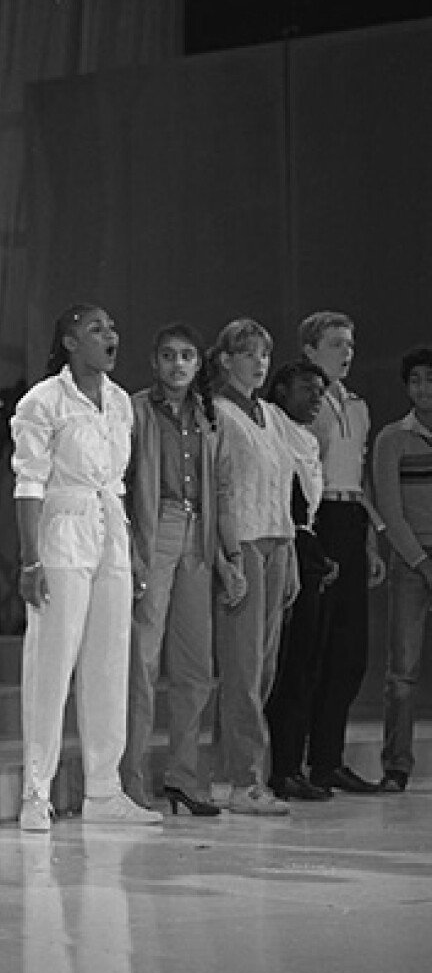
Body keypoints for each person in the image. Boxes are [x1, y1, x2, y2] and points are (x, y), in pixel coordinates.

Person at [12, 304, 162, 832]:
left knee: (108, 660)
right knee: (52, 663)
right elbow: (28, 483)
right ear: (71, 341)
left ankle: (104, 789)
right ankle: (36, 790)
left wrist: (132, 550)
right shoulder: (44, 400)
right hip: (62, 529)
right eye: (95, 328)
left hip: (110, 532)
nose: (109, 334)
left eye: (112, 327)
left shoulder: (120, 402)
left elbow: (120, 483)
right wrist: (30, 558)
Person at [122, 324, 243, 818]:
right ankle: (128, 780)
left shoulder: (210, 416)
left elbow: (224, 489)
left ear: (198, 364)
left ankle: (184, 777)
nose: (177, 364)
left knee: (195, 666)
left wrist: (231, 557)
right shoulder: (135, 410)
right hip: (156, 530)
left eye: (187, 356)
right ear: (155, 362)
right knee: (143, 662)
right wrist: (131, 548)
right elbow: (123, 482)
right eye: (168, 355)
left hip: (200, 536)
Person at [209, 317, 298, 816]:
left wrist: (290, 553)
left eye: (264, 354)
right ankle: (244, 780)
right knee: (242, 668)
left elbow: (283, 482)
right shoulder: (218, 413)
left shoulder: (269, 412)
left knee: (265, 667)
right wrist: (226, 557)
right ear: (225, 359)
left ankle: (240, 769)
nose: (260, 363)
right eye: (248, 354)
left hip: (277, 541)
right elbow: (218, 489)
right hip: (242, 541)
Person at [300, 312, 386, 795]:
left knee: (351, 650)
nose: (346, 352)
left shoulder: (358, 406)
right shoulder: (303, 403)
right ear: (310, 350)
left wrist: (371, 538)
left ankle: (329, 758)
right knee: (318, 644)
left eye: (350, 344)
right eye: (335, 344)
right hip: (319, 520)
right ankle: (304, 757)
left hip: (351, 518)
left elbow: (361, 477)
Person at [264, 360, 337, 802]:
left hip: (306, 543)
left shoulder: (309, 439)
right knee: (287, 665)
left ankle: (294, 763)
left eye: (321, 393)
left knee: (309, 664)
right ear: (282, 389)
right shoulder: (271, 428)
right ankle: (280, 768)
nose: (315, 399)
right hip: (282, 542)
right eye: (307, 389)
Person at [372, 345, 432, 792]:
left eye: (430, 379)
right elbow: (390, 512)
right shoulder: (393, 438)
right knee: (402, 674)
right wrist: (422, 562)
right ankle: (397, 766)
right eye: (415, 380)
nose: (423, 388)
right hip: (412, 562)